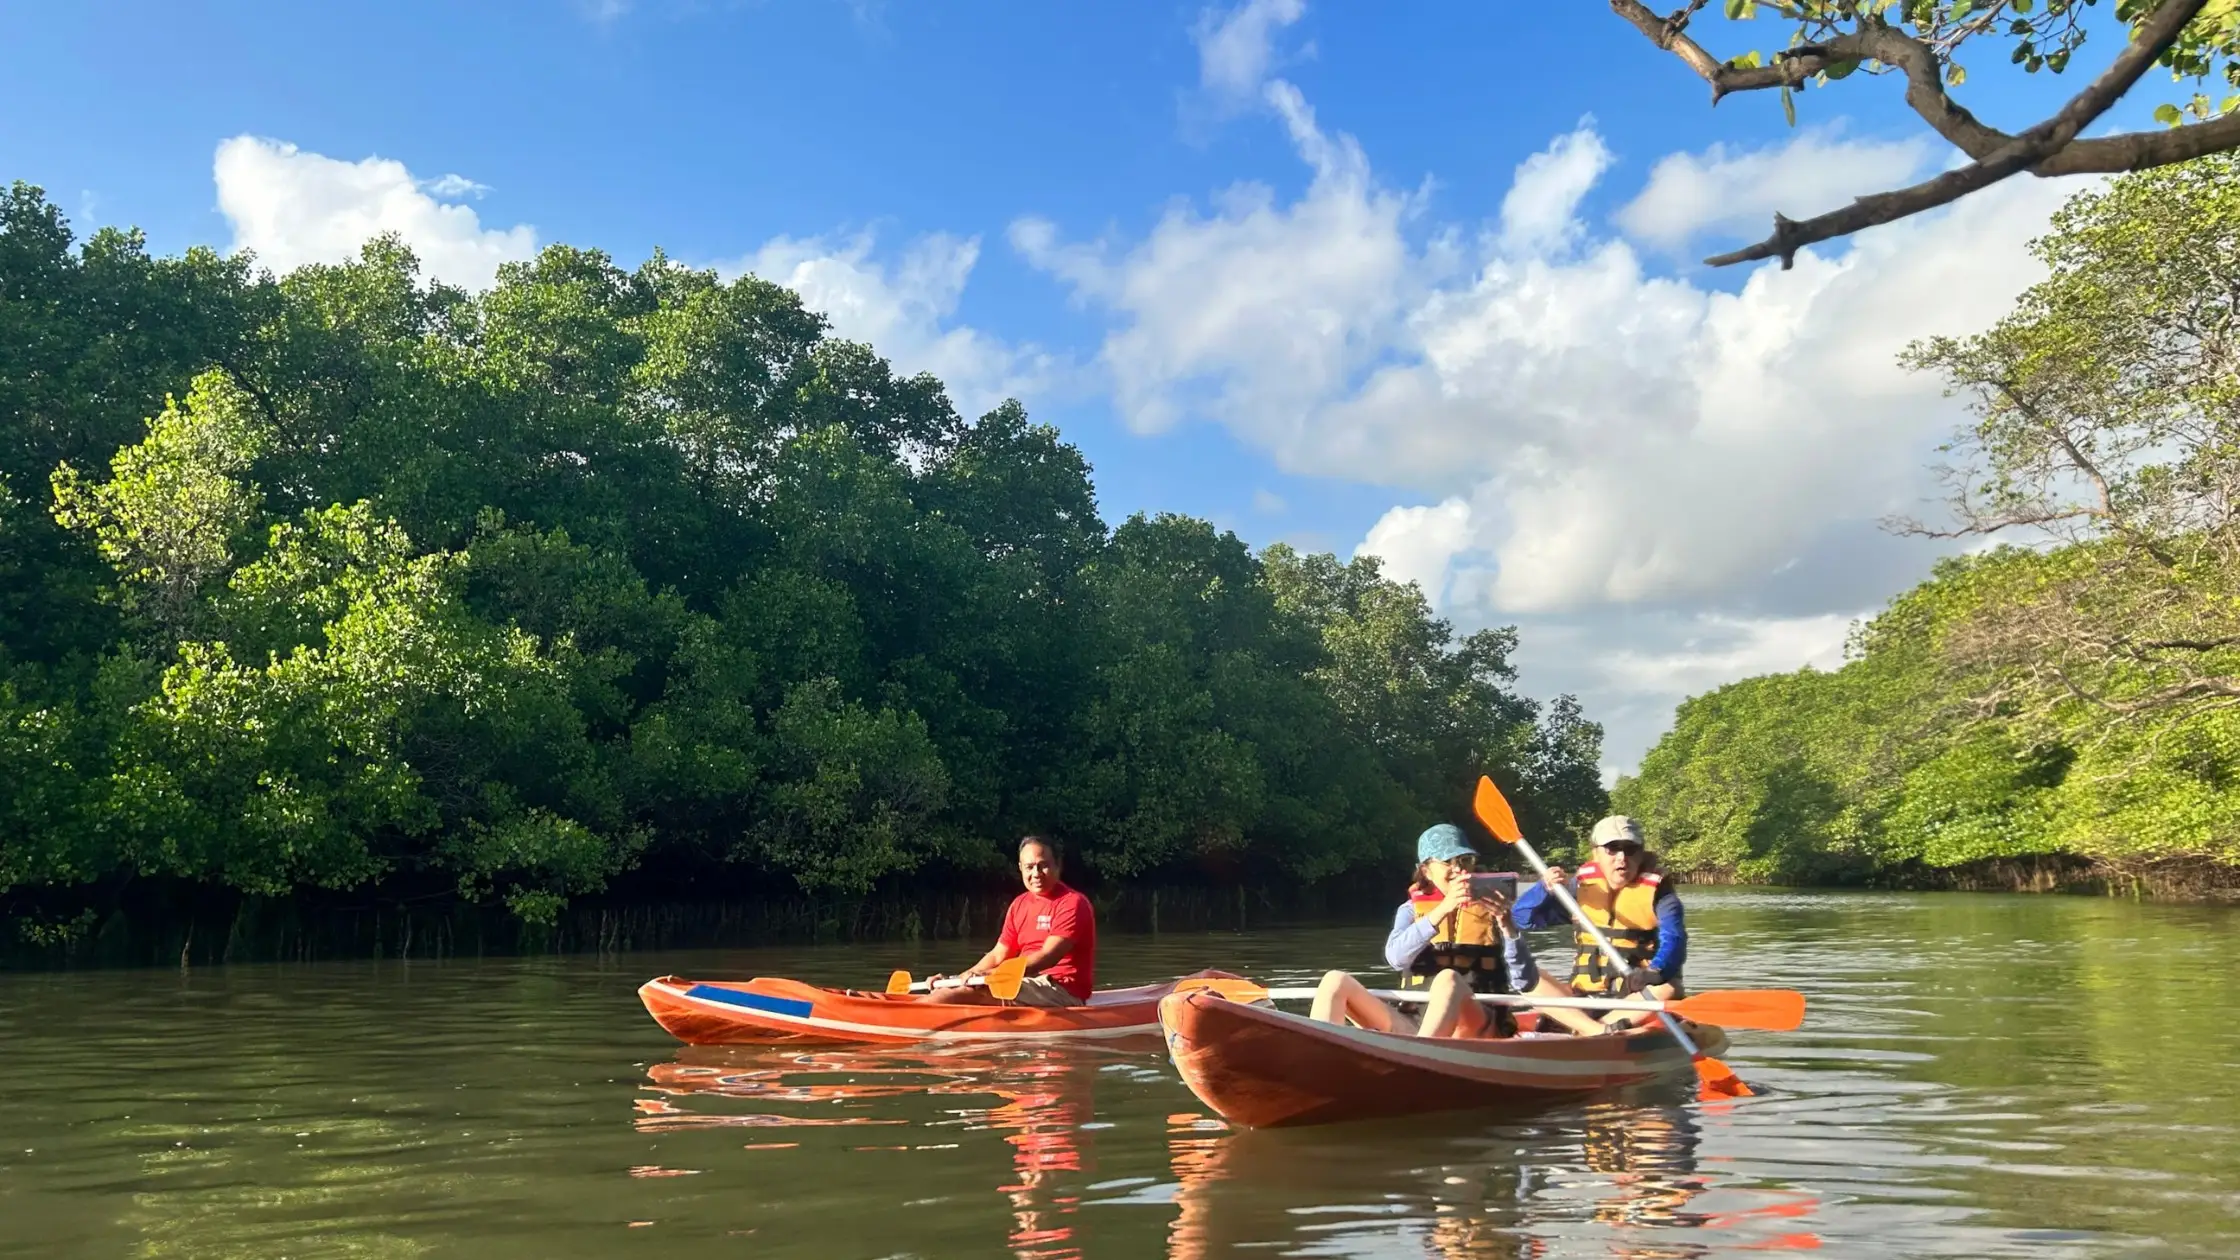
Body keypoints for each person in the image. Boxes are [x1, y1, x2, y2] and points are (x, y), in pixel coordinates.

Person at [1309, 823, 1542, 1039]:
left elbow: (1525, 983)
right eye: (1447, 862)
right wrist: (1442, 910)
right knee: (1334, 981)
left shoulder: (1495, 908)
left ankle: (1416, 1058)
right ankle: (1320, 1058)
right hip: (1416, 1022)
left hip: (1478, 1024)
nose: (1458, 869)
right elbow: (1396, 959)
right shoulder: (1411, 910)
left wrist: (1508, 928)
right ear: (1426, 871)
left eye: (1465, 860)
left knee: (1448, 979)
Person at [1512, 815, 1686, 1029]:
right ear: (1596, 853)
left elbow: (1674, 940)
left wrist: (1653, 972)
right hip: (1586, 996)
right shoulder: (1581, 888)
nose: (1622, 858)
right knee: (1528, 974)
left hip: (1634, 998)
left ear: (1641, 854)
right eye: (1612, 849)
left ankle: (1589, 1029)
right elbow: (1522, 919)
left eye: (1630, 849)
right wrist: (1543, 889)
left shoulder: (1661, 895)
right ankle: (1594, 1028)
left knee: (1668, 988)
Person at [925, 835, 1095, 1006]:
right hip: (1023, 982)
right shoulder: (1019, 904)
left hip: (1061, 989)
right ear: (1020, 868)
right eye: (1029, 867)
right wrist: (962, 978)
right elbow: (999, 954)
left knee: (964, 993)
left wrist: (992, 975)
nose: (1036, 874)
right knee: (949, 992)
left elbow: (1047, 956)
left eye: (1043, 866)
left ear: (1058, 866)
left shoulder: (1073, 903)